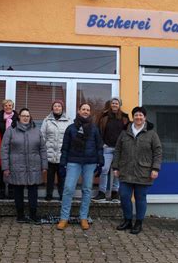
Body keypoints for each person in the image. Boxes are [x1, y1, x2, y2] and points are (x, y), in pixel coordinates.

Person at [112, 106, 162, 234]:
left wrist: (155, 168)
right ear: (132, 117)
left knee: (140, 198)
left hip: (143, 172)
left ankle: (138, 223)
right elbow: (117, 150)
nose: (138, 117)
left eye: (141, 115)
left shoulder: (152, 134)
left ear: (145, 117)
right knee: (124, 196)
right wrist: (116, 167)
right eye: (136, 115)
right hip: (126, 171)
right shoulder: (125, 132)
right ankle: (128, 220)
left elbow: (158, 152)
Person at [57, 103, 104, 231]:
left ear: (90, 112)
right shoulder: (71, 128)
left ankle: (83, 217)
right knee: (68, 189)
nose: (85, 111)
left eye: (88, 110)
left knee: (87, 190)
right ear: (79, 111)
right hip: (73, 161)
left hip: (90, 162)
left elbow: (99, 146)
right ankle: (64, 218)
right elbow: (65, 147)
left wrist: (101, 162)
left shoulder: (94, 128)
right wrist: (63, 163)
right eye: (83, 109)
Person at [0, 108, 48, 223]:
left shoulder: (36, 131)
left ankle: (33, 215)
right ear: (19, 117)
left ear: (30, 117)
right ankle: (20, 215)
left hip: (34, 166)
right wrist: (5, 167)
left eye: (27, 116)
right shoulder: (11, 131)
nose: (25, 117)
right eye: (23, 115)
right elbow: (4, 149)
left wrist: (44, 165)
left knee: (33, 191)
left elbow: (43, 149)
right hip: (16, 166)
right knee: (18, 191)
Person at [93, 97, 130, 201]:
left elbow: (128, 132)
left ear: (119, 105)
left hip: (120, 149)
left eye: (116, 103)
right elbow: (98, 130)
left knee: (117, 171)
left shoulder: (125, 117)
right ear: (110, 105)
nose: (114, 105)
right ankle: (102, 192)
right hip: (107, 147)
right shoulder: (104, 116)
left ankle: (115, 192)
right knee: (104, 170)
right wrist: (102, 143)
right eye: (113, 103)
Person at [40, 100, 71, 201]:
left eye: (59, 106)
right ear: (52, 108)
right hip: (49, 153)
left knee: (62, 176)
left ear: (62, 108)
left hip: (62, 154)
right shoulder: (47, 120)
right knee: (50, 177)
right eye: (55, 106)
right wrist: (44, 149)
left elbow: (70, 137)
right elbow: (42, 136)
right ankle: (49, 194)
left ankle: (62, 194)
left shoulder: (68, 121)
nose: (57, 108)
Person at [0, 99, 18, 199]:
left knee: (13, 168)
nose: (8, 107)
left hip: (14, 146)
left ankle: (12, 190)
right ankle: (2, 190)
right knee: (2, 168)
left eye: (10, 105)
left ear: (13, 107)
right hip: (2, 146)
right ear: (3, 107)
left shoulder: (17, 118)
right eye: (6, 105)